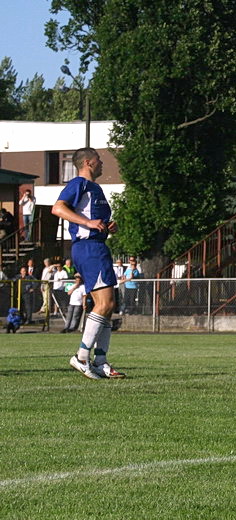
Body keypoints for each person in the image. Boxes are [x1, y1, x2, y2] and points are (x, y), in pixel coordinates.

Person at [51, 147, 125, 379]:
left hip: (97, 246)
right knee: (104, 304)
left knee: (108, 305)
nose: (102, 164)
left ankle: (101, 361)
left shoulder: (96, 188)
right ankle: (82, 357)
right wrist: (89, 223)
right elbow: (58, 208)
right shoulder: (79, 183)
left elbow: (94, 220)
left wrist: (106, 226)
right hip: (89, 248)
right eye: (99, 160)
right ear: (89, 162)